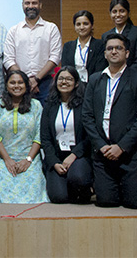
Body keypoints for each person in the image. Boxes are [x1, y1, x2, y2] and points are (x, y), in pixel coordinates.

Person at [82, 33, 137, 209]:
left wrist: (121, 147)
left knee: (134, 202)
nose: (114, 52)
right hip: (102, 151)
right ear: (105, 54)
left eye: (118, 48)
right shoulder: (95, 79)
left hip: (130, 152)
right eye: (110, 49)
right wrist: (100, 145)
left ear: (127, 53)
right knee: (106, 201)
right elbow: (87, 116)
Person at [0, 69, 47, 203]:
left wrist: (28, 159)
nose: (16, 86)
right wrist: (7, 159)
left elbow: (39, 134)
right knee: (1, 189)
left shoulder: (36, 106)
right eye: (12, 83)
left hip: (29, 157)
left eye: (20, 83)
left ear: (26, 86)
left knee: (34, 192)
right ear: (6, 86)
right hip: (2, 157)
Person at [41, 66, 93, 204]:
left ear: (76, 83)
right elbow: (45, 138)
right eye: (61, 78)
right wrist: (54, 162)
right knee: (58, 197)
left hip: (78, 154)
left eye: (69, 79)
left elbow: (89, 137)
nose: (64, 82)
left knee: (79, 178)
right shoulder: (49, 105)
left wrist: (74, 155)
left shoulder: (84, 105)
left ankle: (82, 187)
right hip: (57, 155)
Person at [3, 0, 62, 103]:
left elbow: (55, 57)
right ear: (22, 5)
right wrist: (24, 81)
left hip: (45, 83)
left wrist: (36, 79)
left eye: (34, 3)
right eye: (27, 3)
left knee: (45, 118)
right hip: (19, 85)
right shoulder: (14, 30)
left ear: (40, 5)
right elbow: (8, 59)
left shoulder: (51, 28)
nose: (30, 6)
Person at [101, 0, 137, 72]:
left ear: (128, 13)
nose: (118, 15)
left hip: (133, 75)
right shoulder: (106, 35)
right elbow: (105, 61)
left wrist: (124, 75)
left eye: (122, 11)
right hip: (113, 76)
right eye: (114, 12)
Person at [60, 10, 107, 84]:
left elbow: (100, 70)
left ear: (91, 25)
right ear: (74, 27)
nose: (81, 27)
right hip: (72, 87)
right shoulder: (68, 46)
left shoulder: (100, 45)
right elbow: (65, 69)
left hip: (93, 86)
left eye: (85, 24)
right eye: (78, 24)